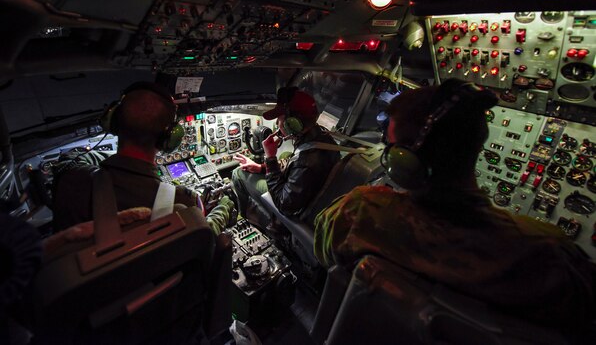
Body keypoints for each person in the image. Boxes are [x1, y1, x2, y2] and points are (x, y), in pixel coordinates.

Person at [314, 79, 596, 331]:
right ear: (478, 144)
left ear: (405, 163)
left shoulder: (359, 211)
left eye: (392, 149)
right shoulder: (548, 252)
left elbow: (325, 256)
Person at [52, 82, 233, 235]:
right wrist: (224, 206)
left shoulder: (72, 179)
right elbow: (205, 234)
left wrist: (119, 159)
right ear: (169, 138)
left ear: (113, 122)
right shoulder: (184, 201)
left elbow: (70, 159)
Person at [232, 87, 340, 225]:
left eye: (279, 119)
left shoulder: (307, 161)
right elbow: (293, 162)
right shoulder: (322, 138)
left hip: (294, 211)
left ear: (292, 123)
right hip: (312, 195)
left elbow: (284, 204)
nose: (277, 124)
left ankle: (244, 221)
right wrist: (261, 168)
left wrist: (270, 157)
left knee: (238, 173)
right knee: (285, 154)